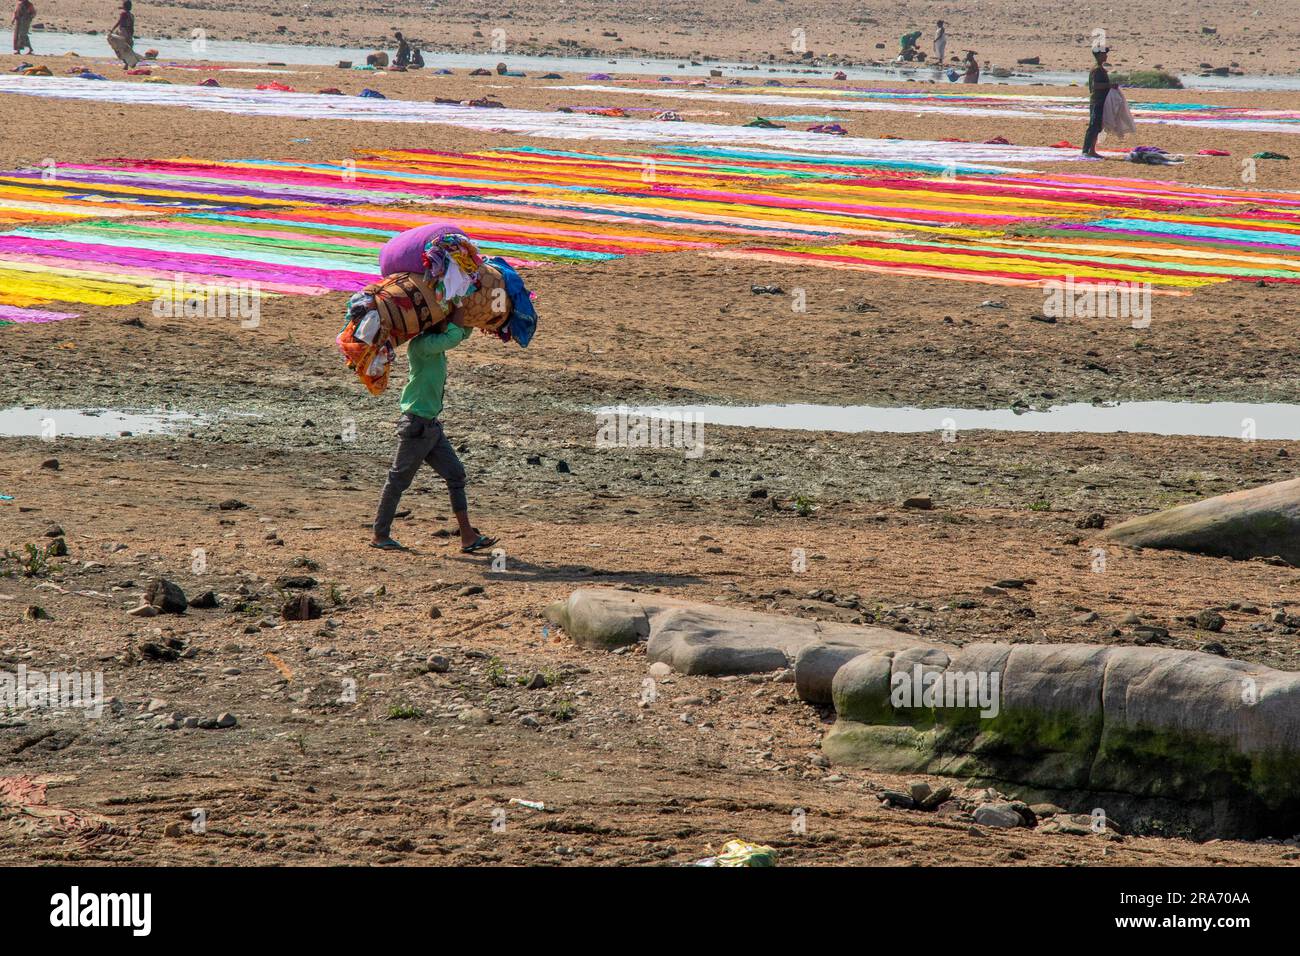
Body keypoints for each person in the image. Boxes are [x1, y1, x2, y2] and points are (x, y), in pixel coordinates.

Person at [370, 225, 497, 554]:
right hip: (416, 425)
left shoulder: (433, 344)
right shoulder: (423, 346)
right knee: (398, 480)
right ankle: (379, 535)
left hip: (429, 426)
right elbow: (455, 335)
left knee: (456, 475)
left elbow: (459, 334)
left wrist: (465, 311)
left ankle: (468, 537)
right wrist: (456, 308)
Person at [1082, 47, 1113, 158]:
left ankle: (1091, 150)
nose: (1106, 56)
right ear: (1099, 56)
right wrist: (1110, 85)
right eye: (1104, 54)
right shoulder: (1097, 70)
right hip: (1097, 101)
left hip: (1100, 101)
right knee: (1094, 126)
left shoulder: (1100, 68)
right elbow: (1096, 86)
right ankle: (1088, 151)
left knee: (1097, 126)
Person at [107, 0, 142, 69]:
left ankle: (126, 63)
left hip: (124, 32)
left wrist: (112, 29)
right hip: (129, 33)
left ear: (124, 7)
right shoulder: (131, 15)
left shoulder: (124, 14)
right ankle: (128, 64)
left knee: (120, 48)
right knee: (127, 49)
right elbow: (132, 26)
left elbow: (119, 22)